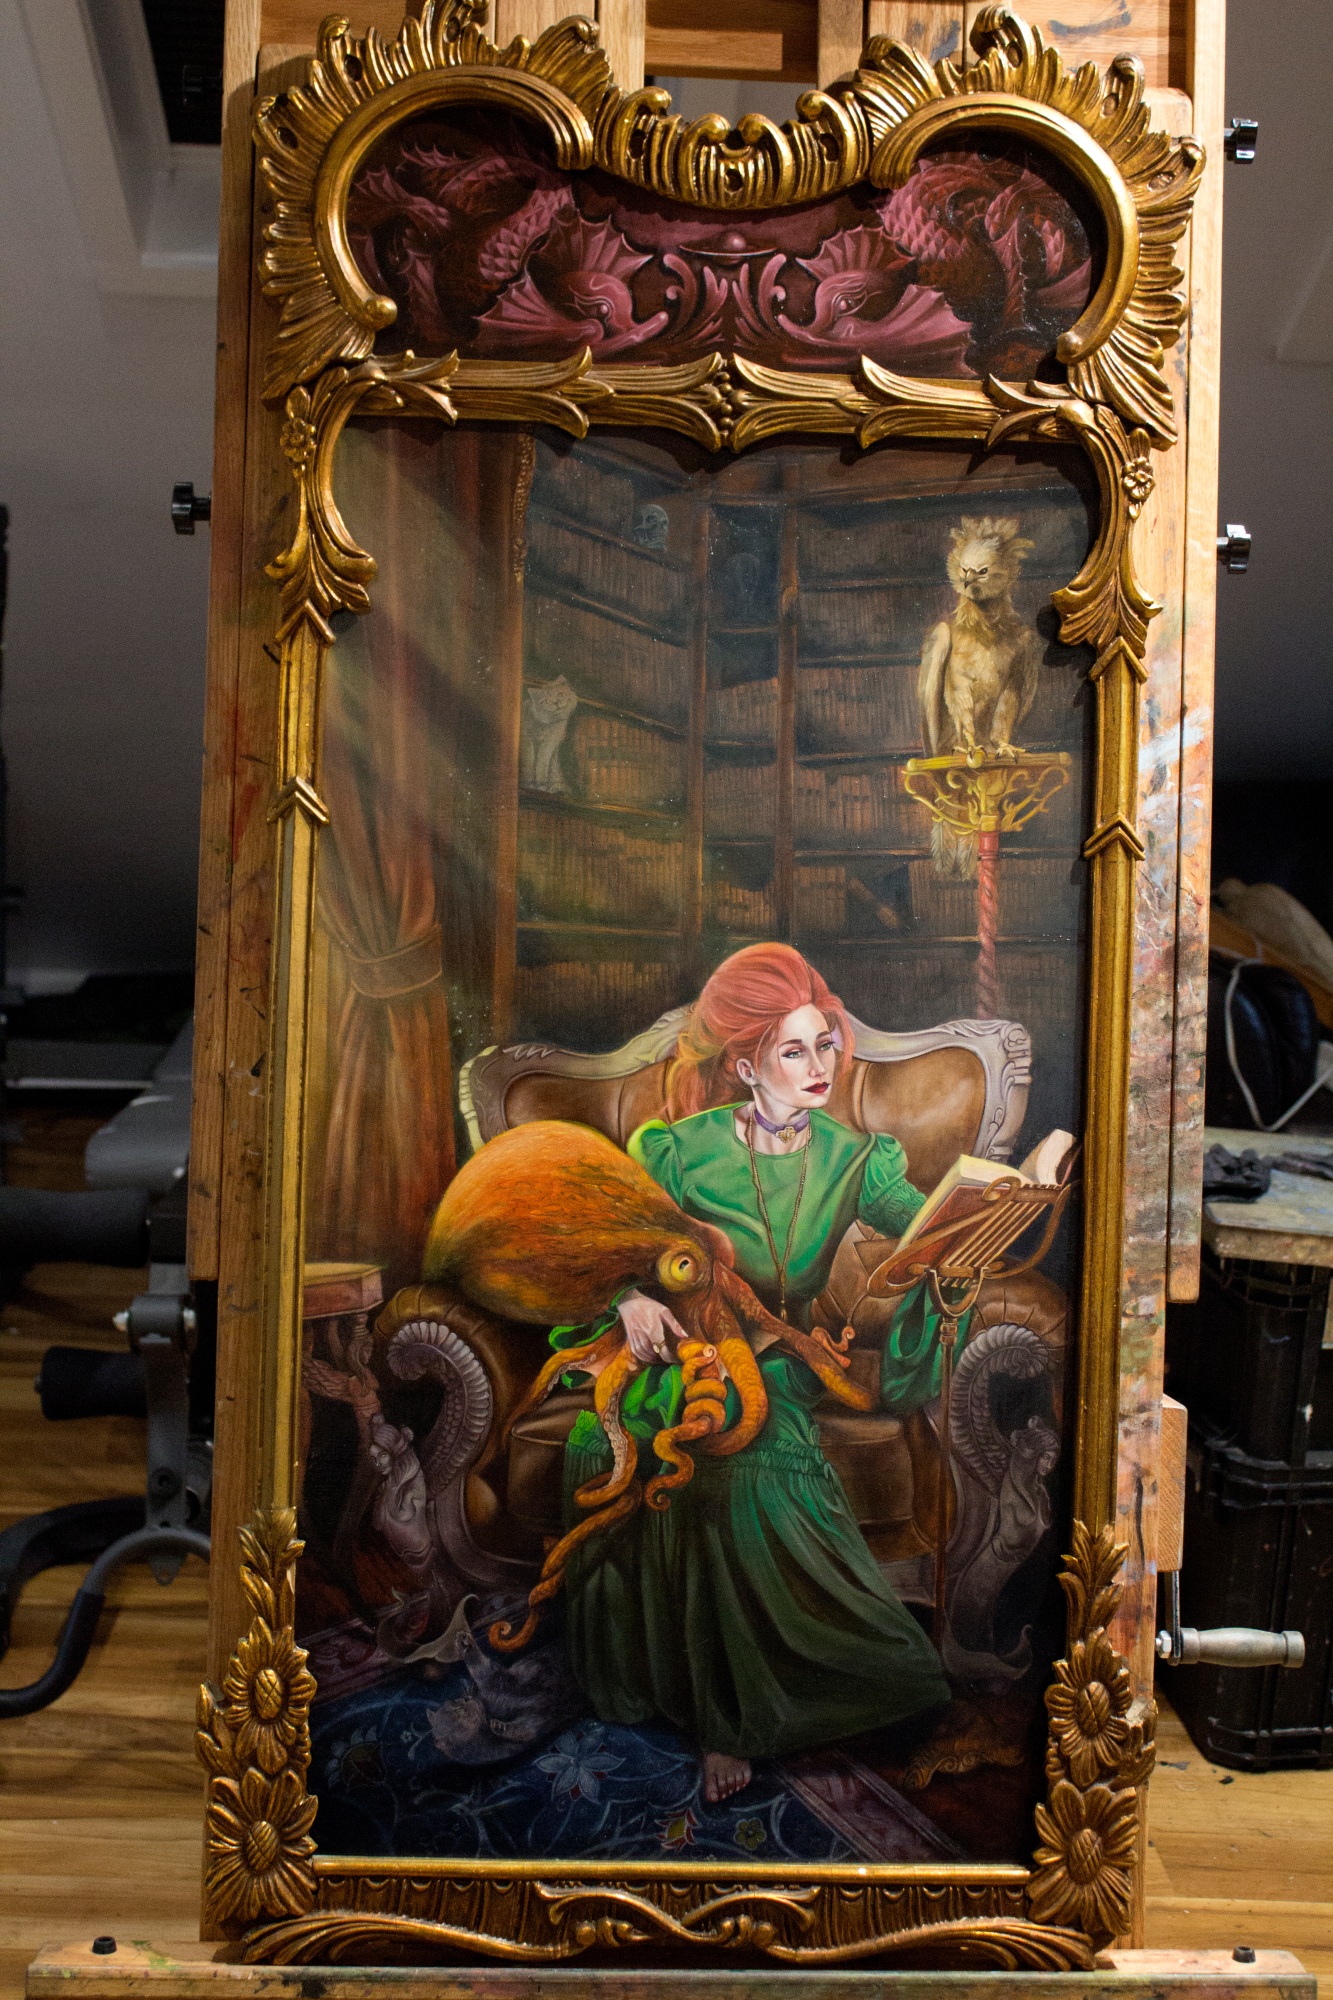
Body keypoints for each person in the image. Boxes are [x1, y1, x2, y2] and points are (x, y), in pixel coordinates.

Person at [555, 942, 953, 1805]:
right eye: (794, 1051)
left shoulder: (857, 1157)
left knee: (743, 1441)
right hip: (676, 1352)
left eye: (824, 1045)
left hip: (783, 1359)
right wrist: (629, 1299)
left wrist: (978, 1223)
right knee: (672, 1440)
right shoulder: (674, 1150)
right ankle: (720, 1712)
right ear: (744, 1066)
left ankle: (788, 1692)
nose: (819, 1067)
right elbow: (607, 1243)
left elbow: (924, 1230)